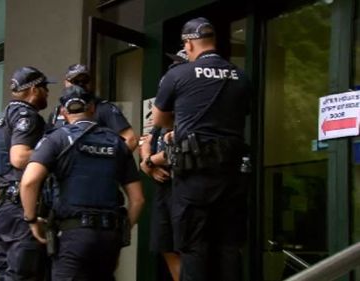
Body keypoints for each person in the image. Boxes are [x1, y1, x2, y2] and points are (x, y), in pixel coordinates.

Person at [152, 17, 251, 281]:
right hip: (231, 175)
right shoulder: (240, 76)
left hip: (193, 175)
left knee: (194, 248)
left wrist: (182, 121)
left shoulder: (178, 74)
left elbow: (159, 119)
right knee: (229, 247)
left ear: (189, 43)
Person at [19, 85, 145, 281]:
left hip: (73, 235)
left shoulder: (56, 139)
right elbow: (137, 200)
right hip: (108, 235)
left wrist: (31, 220)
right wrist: (122, 231)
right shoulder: (116, 142)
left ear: (63, 111)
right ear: (93, 108)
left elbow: (29, 182)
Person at [0, 66, 53, 281]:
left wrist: (5, 197)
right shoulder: (27, 115)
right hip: (22, 212)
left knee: (2, 275)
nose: (47, 93)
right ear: (33, 89)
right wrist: (53, 155)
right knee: (23, 275)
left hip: (3, 211)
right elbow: (19, 157)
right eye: (44, 87)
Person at [139, 50, 187, 281]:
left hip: (185, 183)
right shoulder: (164, 112)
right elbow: (146, 141)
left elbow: (179, 146)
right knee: (165, 244)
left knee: (187, 246)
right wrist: (147, 163)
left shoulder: (192, 107)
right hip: (164, 188)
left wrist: (150, 160)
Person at [47, 64, 138, 151]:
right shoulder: (57, 112)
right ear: (66, 82)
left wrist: (111, 163)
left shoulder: (104, 108)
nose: (80, 85)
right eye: (75, 81)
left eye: (85, 81)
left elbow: (130, 139)